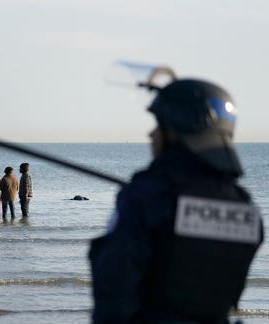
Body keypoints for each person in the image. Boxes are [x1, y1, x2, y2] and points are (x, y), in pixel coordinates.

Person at [89, 79, 264, 323]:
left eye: (159, 125)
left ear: (176, 133)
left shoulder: (146, 195)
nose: (151, 134)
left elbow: (115, 287)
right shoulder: (247, 209)